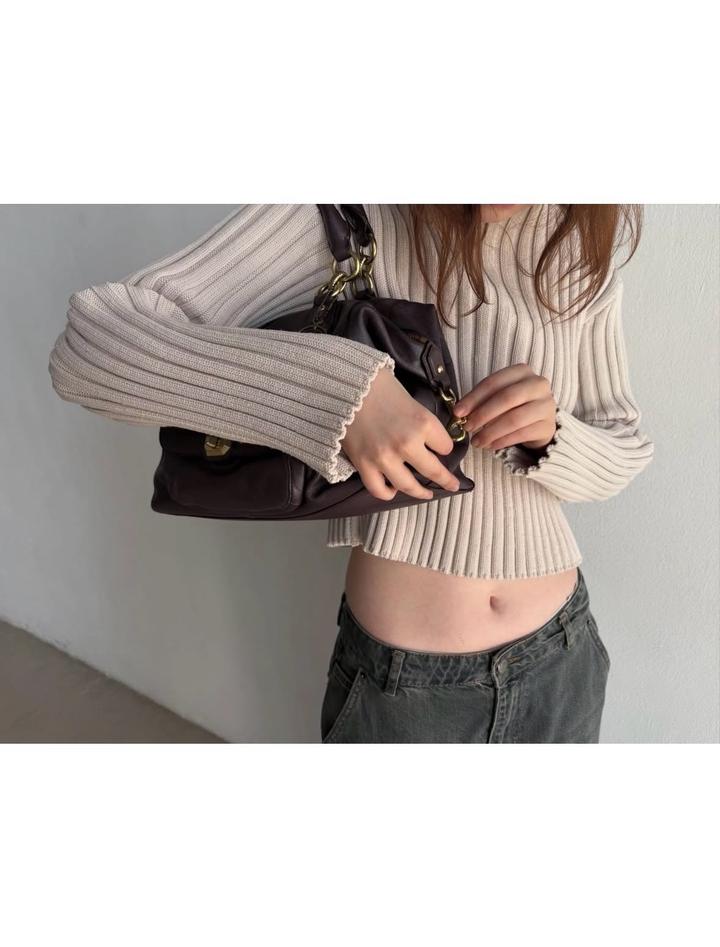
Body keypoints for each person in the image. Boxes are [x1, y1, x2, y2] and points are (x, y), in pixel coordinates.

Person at [48, 204, 655, 743]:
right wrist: (341, 394)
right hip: (407, 688)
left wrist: (555, 436)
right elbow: (90, 347)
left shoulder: (576, 243)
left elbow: (624, 445)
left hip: (561, 656)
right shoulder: (347, 214)